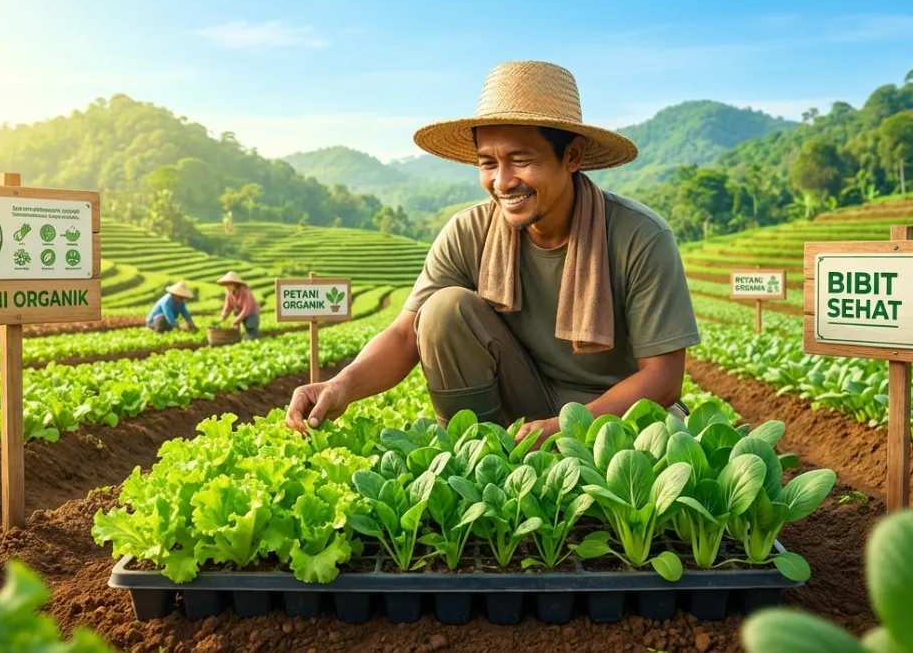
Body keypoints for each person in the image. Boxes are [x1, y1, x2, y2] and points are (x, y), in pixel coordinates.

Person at [286, 60, 700, 445]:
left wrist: (567, 428)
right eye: (488, 163)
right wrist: (340, 385)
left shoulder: (638, 236)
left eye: (521, 160)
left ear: (571, 156)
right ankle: (482, 459)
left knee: (654, 448)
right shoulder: (470, 231)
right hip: (525, 410)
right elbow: (403, 336)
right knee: (443, 308)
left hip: (616, 421)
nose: (503, 182)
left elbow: (662, 379)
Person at [217, 271, 261, 340]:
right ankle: (243, 337)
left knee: (250, 328)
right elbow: (227, 308)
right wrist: (221, 319)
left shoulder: (245, 292)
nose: (227, 287)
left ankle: (251, 338)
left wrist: (236, 321)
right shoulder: (230, 294)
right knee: (241, 325)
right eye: (226, 285)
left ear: (235, 284)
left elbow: (247, 310)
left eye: (229, 285)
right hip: (242, 313)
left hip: (252, 313)